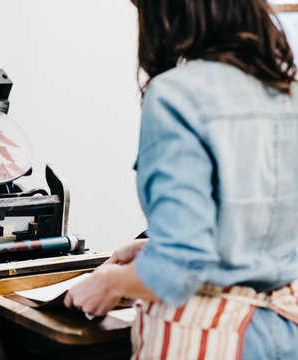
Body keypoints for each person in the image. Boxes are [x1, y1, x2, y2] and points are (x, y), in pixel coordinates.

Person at [63, 0, 298, 358]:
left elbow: (180, 266)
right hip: (286, 332)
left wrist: (108, 283)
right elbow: (261, 237)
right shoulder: (287, 90)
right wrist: (153, 249)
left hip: (214, 337)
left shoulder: (176, 95)